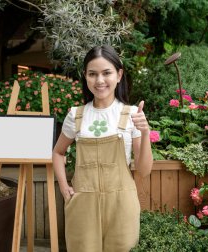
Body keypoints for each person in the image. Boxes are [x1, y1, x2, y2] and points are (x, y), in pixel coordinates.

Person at [52, 45, 153, 252]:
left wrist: (145, 133)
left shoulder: (132, 114)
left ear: (119, 75)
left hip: (121, 204)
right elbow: (57, 152)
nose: (99, 80)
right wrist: (64, 187)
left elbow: (144, 171)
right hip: (82, 205)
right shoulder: (76, 115)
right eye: (93, 74)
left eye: (106, 73)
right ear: (86, 77)